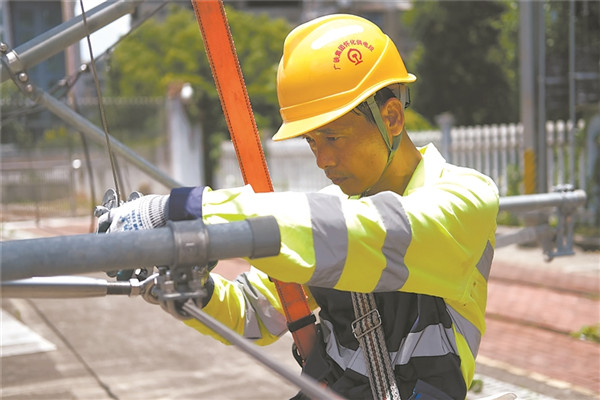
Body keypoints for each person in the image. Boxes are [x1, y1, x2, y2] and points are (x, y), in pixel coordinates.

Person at [100, 14, 499, 400]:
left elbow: (370, 235)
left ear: (391, 116)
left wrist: (186, 210)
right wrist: (190, 289)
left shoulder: (464, 199)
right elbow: (254, 312)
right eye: (311, 141)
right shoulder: (327, 215)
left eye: (333, 138)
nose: (322, 160)